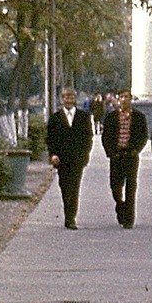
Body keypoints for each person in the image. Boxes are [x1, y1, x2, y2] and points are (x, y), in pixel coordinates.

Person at [47, 87, 93, 230]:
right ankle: (68, 212)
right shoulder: (55, 118)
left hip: (77, 159)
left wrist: (85, 154)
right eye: (66, 97)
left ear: (75, 98)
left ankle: (70, 217)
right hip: (61, 159)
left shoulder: (83, 117)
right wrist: (53, 154)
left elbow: (88, 137)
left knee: (74, 187)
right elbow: (50, 138)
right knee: (64, 187)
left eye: (71, 97)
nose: (68, 99)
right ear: (62, 99)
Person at [101, 89, 148, 228]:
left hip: (131, 155)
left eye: (127, 97)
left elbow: (143, 136)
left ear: (131, 99)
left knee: (131, 186)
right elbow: (106, 136)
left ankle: (129, 218)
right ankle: (120, 205)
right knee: (115, 186)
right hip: (116, 155)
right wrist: (110, 152)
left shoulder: (139, 117)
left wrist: (136, 150)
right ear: (118, 99)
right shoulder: (111, 117)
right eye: (121, 97)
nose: (124, 99)